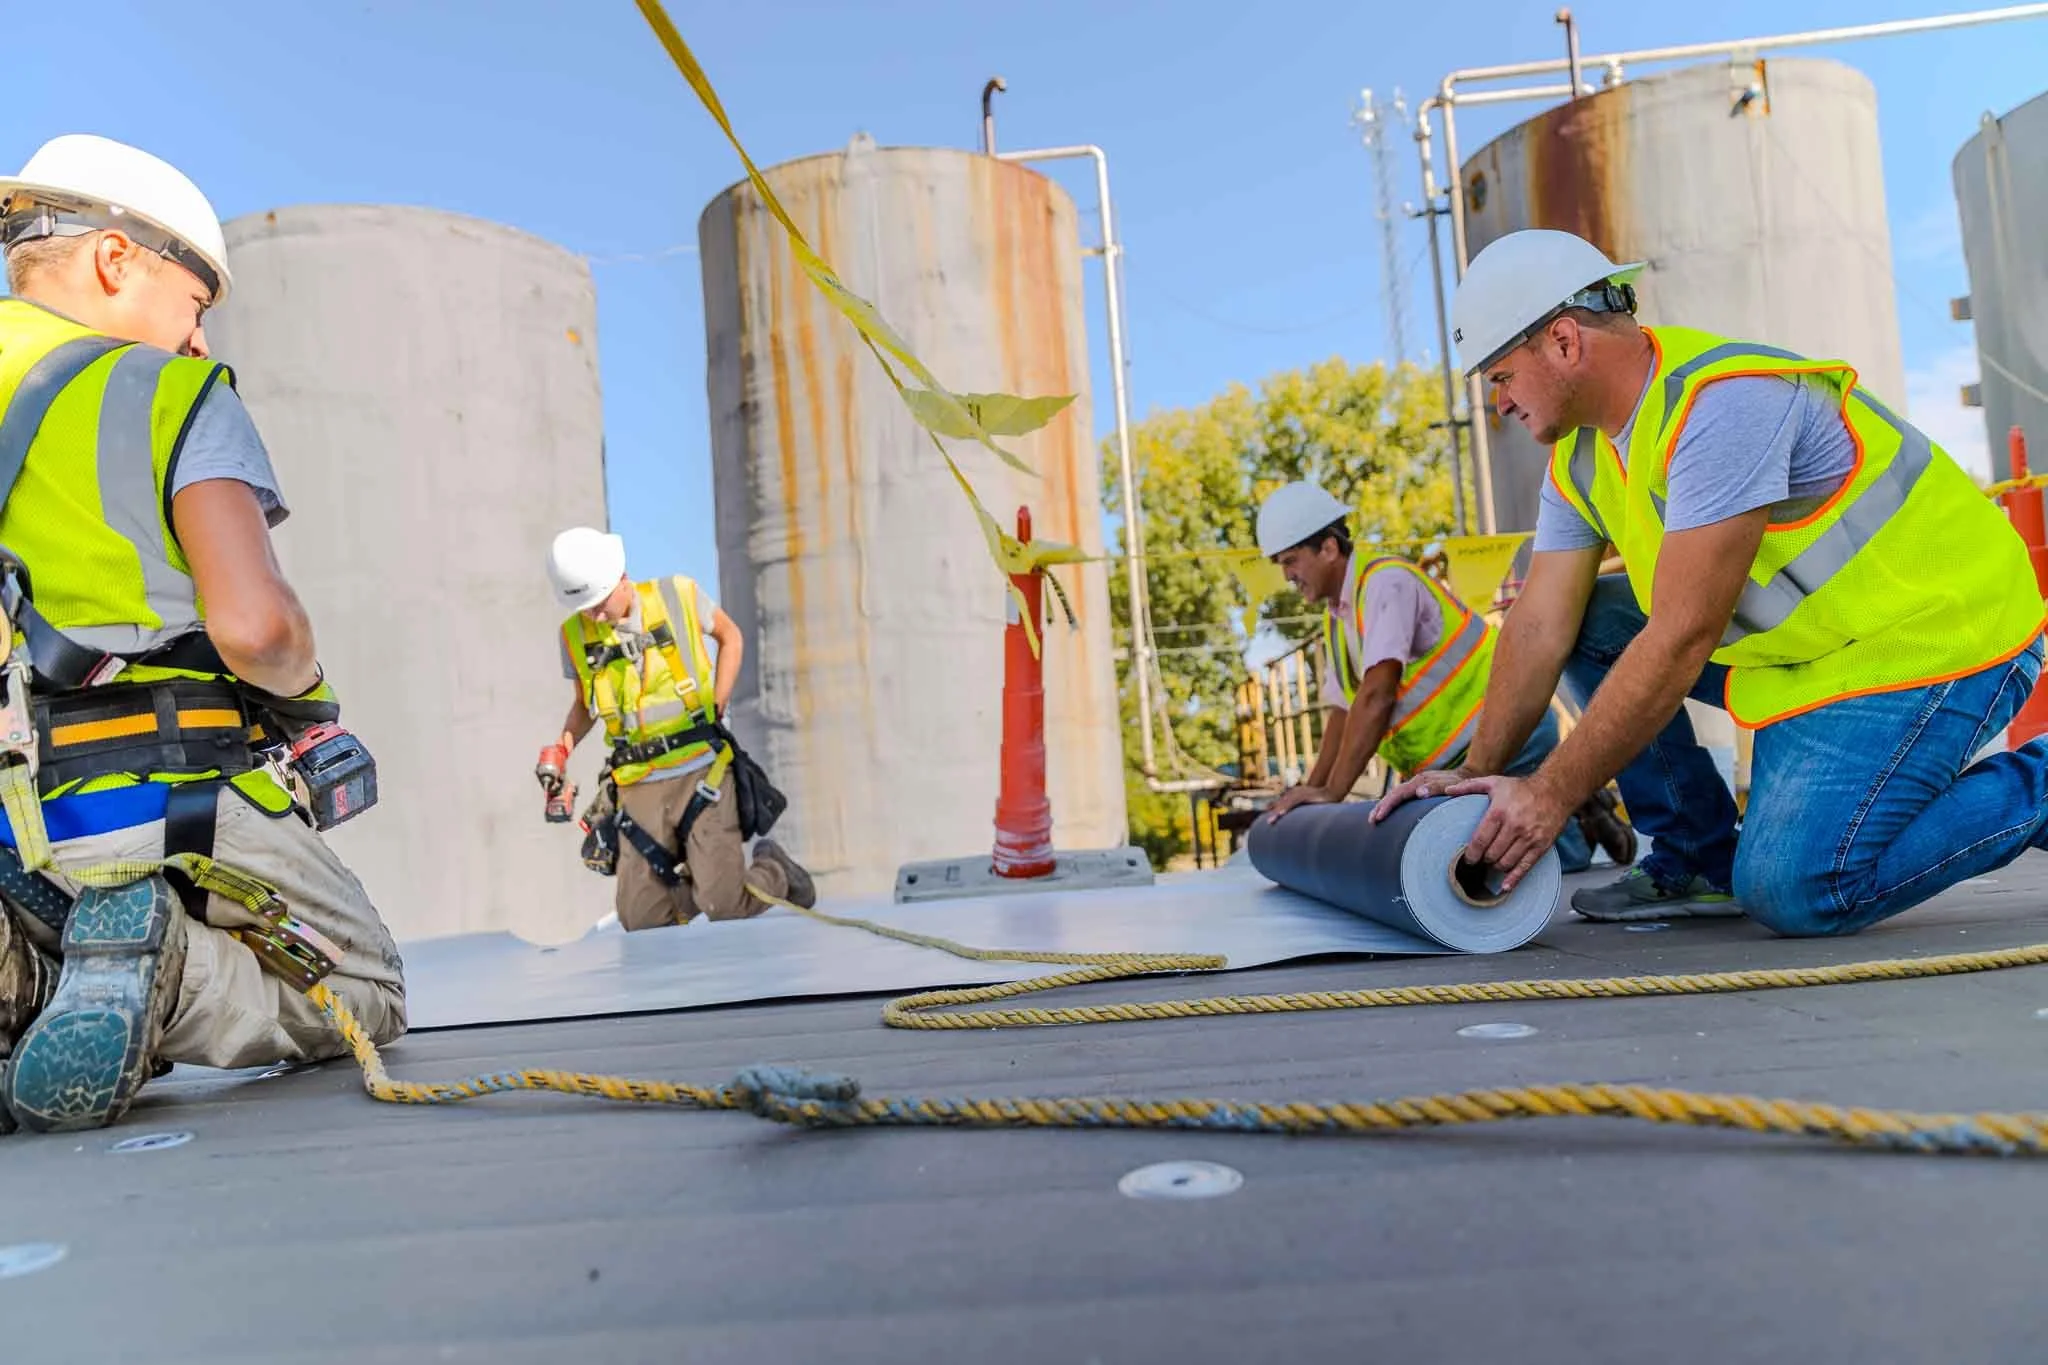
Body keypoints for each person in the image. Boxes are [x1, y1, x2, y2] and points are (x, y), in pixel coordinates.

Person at [1374, 227, 2046, 934]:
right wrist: (1475, 771)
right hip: (1818, 659)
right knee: (1588, 620)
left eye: (1501, 376)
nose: (1499, 404)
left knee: (1800, 889)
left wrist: (1548, 794)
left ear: (1566, 342)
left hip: (1940, 638)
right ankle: (1697, 857)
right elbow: (1540, 625)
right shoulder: (1580, 462)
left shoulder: (1721, 405)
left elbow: (1682, 634)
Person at [0, 134, 406, 1132]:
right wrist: (307, 703)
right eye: (194, 303)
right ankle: (166, 973)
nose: (196, 340)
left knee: (59, 932)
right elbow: (257, 627)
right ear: (113, 259)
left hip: (12, 831)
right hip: (155, 791)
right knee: (366, 993)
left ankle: (29, 992)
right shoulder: (160, 391)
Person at [1253, 481, 1631, 875]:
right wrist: (1313, 792)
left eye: (1290, 560)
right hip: (1454, 762)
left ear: (1329, 549)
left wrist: (1333, 792)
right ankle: (1582, 807)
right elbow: (1343, 713)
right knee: (1468, 862)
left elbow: (1376, 696)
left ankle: (1577, 821)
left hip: (1507, 734)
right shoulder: (1337, 620)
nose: (1287, 575)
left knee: (1534, 866)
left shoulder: (1385, 582)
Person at [539, 527, 815, 929]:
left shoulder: (676, 596)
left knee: (725, 905)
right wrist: (561, 750)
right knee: (642, 923)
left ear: (620, 576)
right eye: (585, 607)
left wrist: (718, 703)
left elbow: (730, 636)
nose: (594, 615)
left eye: (600, 603)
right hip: (635, 782)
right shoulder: (574, 636)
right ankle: (700, 881)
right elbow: (585, 705)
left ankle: (773, 871)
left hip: (701, 770)